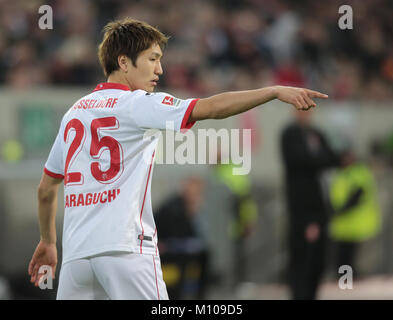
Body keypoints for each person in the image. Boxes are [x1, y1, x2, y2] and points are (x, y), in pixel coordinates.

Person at [28, 17, 328, 300]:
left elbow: (46, 189)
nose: (159, 70)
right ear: (123, 62)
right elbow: (211, 108)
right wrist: (273, 90)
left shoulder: (74, 113)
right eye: (152, 58)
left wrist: (48, 241)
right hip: (126, 250)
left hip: (77, 259)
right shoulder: (136, 104)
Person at [280, 109, 340, 300]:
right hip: (302, 209)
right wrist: (318, 158)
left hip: (319, 208)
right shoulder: (290, 134)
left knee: (317, 260)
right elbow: (301, 160)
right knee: (301, 257)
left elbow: (332, 158)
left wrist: (318, 158)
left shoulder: (316, 134)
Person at [329, 148, 381, 279]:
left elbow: (357, 194)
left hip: (354, 222)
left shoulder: (358, 173)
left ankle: (347, 280)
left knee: (349, 255)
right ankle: (344, 280)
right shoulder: (341, 173)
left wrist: (341, 210)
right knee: (343, 255)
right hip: (342, 224)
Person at [154, 177, 209, 299]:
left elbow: (192, 235)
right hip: (163, 249)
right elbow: (175, 235)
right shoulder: (173, 207)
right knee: (186, 259)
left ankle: (200, 294)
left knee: (203, 254)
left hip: (174, 248)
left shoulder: (186, 207)